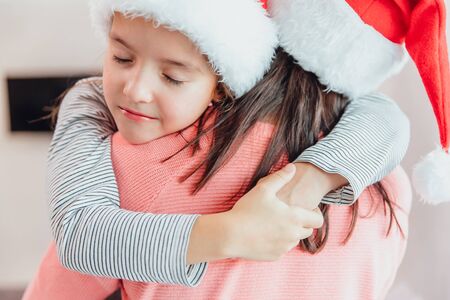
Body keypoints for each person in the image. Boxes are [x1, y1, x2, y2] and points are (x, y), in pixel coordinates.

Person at [24, 0, 411, 298]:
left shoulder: (136, 167)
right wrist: (232, 230)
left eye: (173, 76)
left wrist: (304, 184)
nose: (136, 91)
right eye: (121, 57)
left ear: (221, 83)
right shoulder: (390, 185)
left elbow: (56, 288)